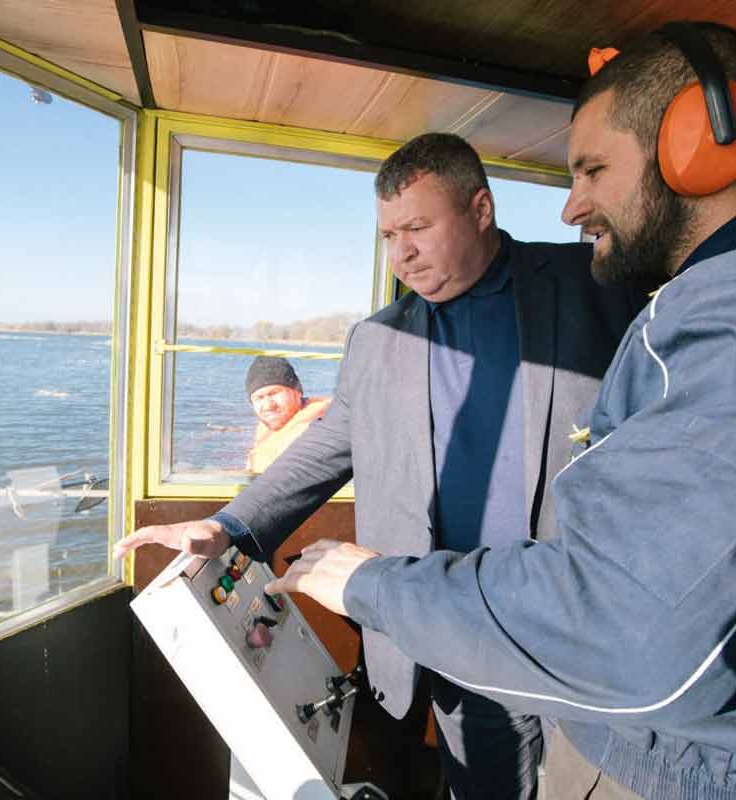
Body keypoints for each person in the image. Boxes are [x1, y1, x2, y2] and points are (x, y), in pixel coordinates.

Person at [267, 21, 736, 800]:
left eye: (592, 169)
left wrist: (371, 585)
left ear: (702, 140)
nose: (572, 206)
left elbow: (628, 629)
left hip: (695, 759)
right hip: (618, 717)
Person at [116, 133, 642, 797]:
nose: (403, 253)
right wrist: (227, 528)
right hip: (454, 633)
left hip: (577, 634)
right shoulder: (377, 338)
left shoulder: (597, 285)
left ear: (481, 209)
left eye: (419, 227)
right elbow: (327, 445)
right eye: (389, 235)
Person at [242, 355, 331, 473]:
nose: (268, 405)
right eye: (259, 398)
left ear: (297, 392)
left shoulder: (321, 423)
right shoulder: (272, 424)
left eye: (274, 393)